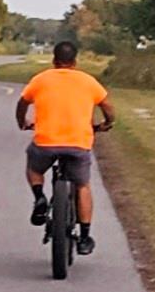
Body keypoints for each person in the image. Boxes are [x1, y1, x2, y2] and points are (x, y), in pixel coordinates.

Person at [15, 41, 115, 255]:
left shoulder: (41, 79)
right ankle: (85, 236)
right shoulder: (87, 81)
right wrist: (107, 123)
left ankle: (39, 196)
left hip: (46, 143)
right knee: (82, 186)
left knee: (34, 167)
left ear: (54, 60)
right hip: (78, 144)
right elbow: (107, 105)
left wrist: (22, 122)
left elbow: (22, 103)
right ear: (75, 61)